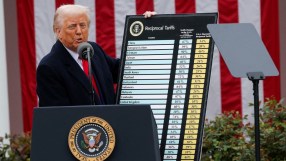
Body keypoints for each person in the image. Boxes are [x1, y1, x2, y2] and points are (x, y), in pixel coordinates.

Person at [36, 4, 155, 107]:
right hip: (85, 132)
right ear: (58, 32)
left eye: (82, 25)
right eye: (72, 26)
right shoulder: (49, 67)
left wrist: (147, 29)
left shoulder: (93, 50)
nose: (79, 31)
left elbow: (122, 71)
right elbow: (57, 116)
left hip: (112, 127)